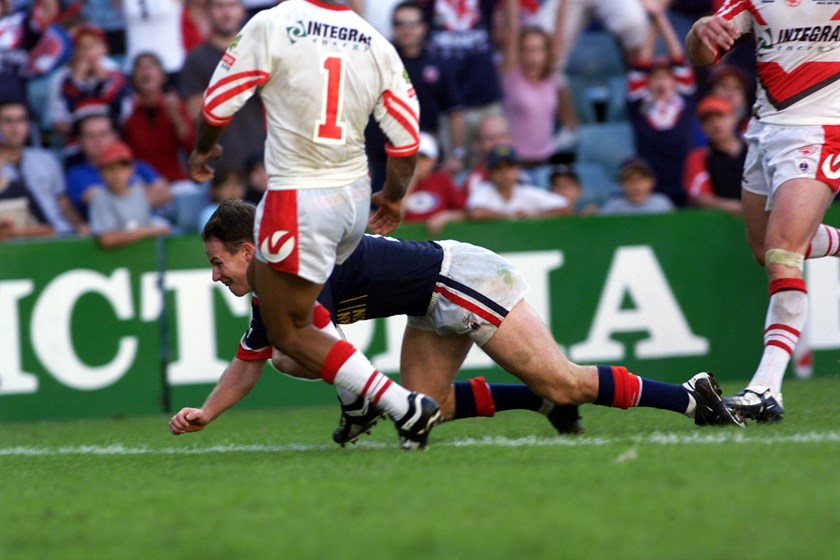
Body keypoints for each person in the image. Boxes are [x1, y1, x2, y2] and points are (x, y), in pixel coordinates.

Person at [168, 200, 742, 445]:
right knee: (427, 407)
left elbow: (328, 348)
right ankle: (541, 404)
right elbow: (250, 364)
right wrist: (207, 413)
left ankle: (691, 399)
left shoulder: (294, 269)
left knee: (564, 378)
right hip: (428, 299)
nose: (215, 275)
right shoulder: (272, 285)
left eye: (218, 261)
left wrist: (356, 403)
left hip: (459, 278)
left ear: (247, 250)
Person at [184, 0, 441, 450]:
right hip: (354, 198)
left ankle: (402, 405)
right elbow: (405, 141)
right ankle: (358, 398)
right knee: (306, 317)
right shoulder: (376, 41)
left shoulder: (272, 23)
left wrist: (203, 150)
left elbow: (218, 104)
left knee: (288, 334)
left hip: (297, 195)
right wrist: (394, 196)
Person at [686, 1, 840, 423]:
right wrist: (700, 31)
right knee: (764, 246)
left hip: (822, 128)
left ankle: (766, 388)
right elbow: (704, 54)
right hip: (764, 129)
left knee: (782, 253)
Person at [178, 0, 265, 175]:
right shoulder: (196, 58)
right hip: (220, 163)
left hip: (260, 159)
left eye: (232, 5)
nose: (226, 12)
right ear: (207, 11)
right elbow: (195, 112)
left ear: (241, 11)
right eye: (219, 6)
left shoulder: (259, 51)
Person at [626, 3, 696, 208]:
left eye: (666, 77)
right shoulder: (638, 103)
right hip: (650, 183)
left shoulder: (684, 100)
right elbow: (641, 65)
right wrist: (653, 23)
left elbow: (678, 59)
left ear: (675, 83)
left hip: (683, 180)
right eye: (654, 78)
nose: (660, 82)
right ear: (647, 84)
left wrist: (661, 17)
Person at [66, 112, 173, 222]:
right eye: (90, 136)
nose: (98, 141)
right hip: (114, 232)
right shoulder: (77, 174)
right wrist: (141, 191)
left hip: (151, 226)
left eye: (103, 134)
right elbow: (99, 202)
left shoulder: (139, 166)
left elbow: (165, 193)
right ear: (80, 141)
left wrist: (118, 197)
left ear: (115, 136)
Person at [0, 101, 85, 235]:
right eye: (8, 121)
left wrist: (79, 225)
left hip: (58, 233)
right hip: (15, 240)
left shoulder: (46, 159)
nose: (15, 127)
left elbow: (62, 201)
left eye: (21, 120)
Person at [123, 52, 195, 190]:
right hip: (139, 181)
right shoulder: (126, 108)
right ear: (133, 78)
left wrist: (176, 117)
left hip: (174, 180)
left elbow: (190, 146)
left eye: (151, 66)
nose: (145, 71)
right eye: (140, 67)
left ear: (162, 76)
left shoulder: (175, 105)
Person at [88, 140, 171, 249]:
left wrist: (157, 228)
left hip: (142, 257)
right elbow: (107, 239)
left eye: (122, 168)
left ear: (131, 170)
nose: (116, 174)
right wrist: (147, 232)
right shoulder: (99, 197)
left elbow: (145, 224)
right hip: (112, 263)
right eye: (110, 169)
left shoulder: (139, 194)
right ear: (101, 172)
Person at [467, 145, 570, 220]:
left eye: (509, 167)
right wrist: (512, 215)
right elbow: (476, 213)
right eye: (498, 168)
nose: (504, 173)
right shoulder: (483, 190)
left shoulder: (526, 191)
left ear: (518, 170)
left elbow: (563, 207)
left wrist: (533, 215)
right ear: (490, 171)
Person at [683, 94, 744, 215]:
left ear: (734, 118)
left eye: (720, 116)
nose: (715, 123)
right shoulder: (698, 157)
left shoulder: (755, 151)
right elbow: (699, 196)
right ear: (701, 127)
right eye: (708, 120)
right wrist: (730, 205)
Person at [403, 132, 466, 235]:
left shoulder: (442, 180)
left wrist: (445, 216)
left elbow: (465, 213)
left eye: (423, 158)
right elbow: (394, 217)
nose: (417, 162)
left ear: (434, 160)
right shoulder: (395, 182)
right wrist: (409, 183)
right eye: (413, 157)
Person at [600, 157, 674, 216]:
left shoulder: (662, 203)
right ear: (621, 184)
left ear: (652, 182)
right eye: (629, 180)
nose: (635, 185)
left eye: (641, 179)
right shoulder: (613, 206)